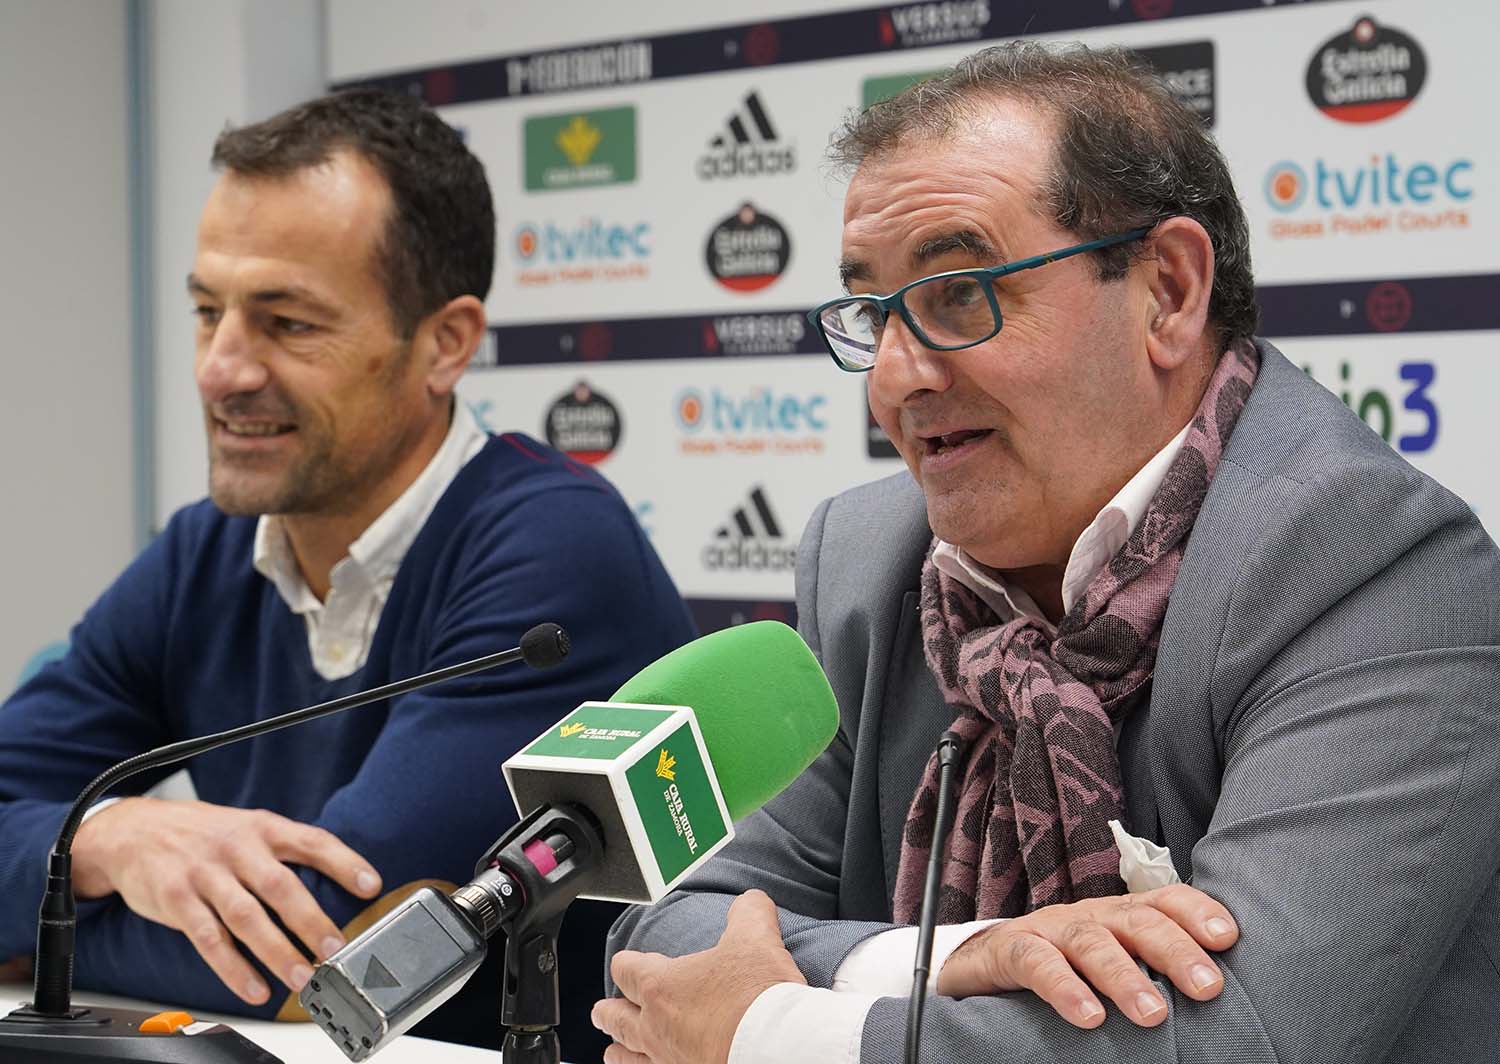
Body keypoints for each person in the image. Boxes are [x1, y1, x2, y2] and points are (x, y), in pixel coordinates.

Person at [597, 43, 1500, 1064]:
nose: (898, 375)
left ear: (1166, 290)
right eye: (873, 312)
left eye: (959, 292)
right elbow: (672, 924)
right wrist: (960, 953)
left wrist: (774, 1027)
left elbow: (1237, 1037)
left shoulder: (1373, 562)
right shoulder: (868, 557)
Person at [0, 89, 696, 1059]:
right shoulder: (202, 552)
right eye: (208, 312)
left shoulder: (553, 548)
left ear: (444, 344)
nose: (220, 369)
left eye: (286, 322)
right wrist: (107, 840)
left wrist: (37, 920)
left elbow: (335, 952)